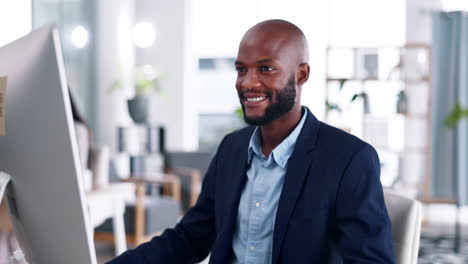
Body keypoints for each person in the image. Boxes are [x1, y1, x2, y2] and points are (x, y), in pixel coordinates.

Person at [107, 19, 395, 264]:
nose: (247, 82)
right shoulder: (232, 149)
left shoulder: (348, 159)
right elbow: (190, 238)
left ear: (301, 74)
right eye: (241, 69)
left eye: (265, 69)